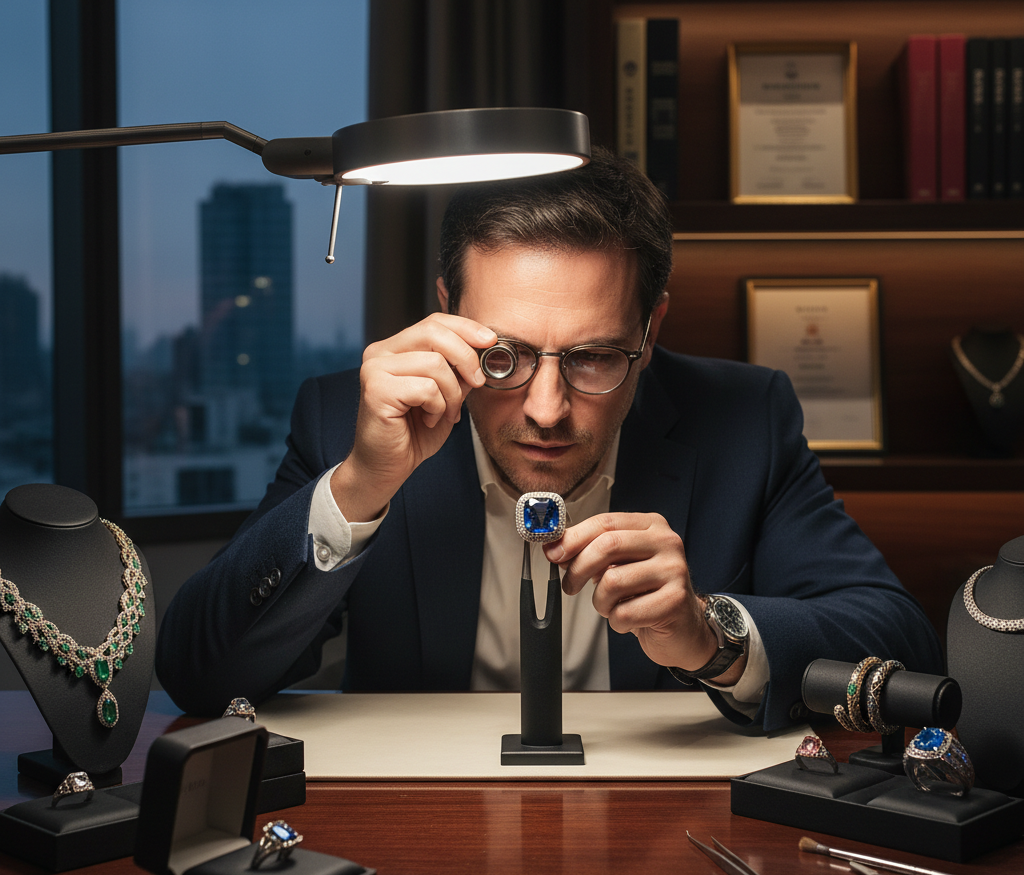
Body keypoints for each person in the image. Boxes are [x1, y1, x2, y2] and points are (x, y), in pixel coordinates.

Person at [156, 149, 942, 731]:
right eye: (503, 355)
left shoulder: (744, 417)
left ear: (652, 327)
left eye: (597, 357)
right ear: (445, 311)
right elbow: (199, 674)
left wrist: (714, 635)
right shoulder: (349, 419)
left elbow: (901, 641)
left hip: (666, 842)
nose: (546, 408)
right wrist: (360, 485)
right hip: (418, 835)